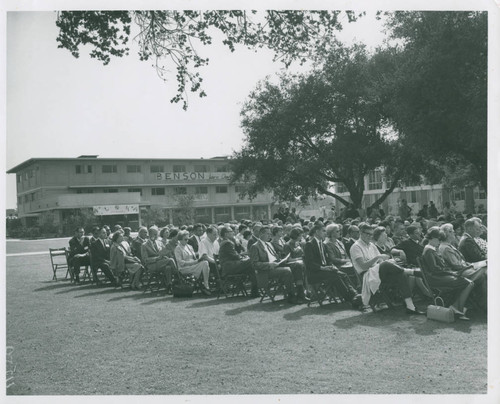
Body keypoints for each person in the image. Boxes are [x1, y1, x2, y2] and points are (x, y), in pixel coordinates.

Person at [350, 222, 424, 314]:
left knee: (401, 274)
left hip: (379, 273)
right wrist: (378, 258)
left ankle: (410, 307)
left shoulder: (371, 245)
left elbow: (381, 262)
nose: (369, 236)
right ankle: (410, 271)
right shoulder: (356, 247)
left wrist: (389, 261)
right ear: (361, 233)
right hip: (367, 275)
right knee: (386, 265)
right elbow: (363, 266)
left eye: (371, 234)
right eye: (367, 234)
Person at [421, 227, 475, 319]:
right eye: (439, 239)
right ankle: (457, 308)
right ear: (433, 238)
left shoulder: (431, 249)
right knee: (468, 283)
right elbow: (435, 269)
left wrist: (452, 272)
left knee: (468, 282)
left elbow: (439, 268)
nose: (439, 242)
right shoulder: (429, 250)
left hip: (439, 276)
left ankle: (456, 307)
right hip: (435, 278)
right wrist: (452, 273)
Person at [304, 224, 361, 308]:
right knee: (335, 276)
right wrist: (324, 268)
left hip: (324, 271)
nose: (325, 233)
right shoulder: (309, 244)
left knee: (342, 274)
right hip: (314, 273)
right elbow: (309, 263)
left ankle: (355, 295)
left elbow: (327, 260)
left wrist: (331, 265)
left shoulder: (322, 244)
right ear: (317, 232)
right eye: (323, 231)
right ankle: (351, 299)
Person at [439, 223, 487, 307]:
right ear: (445, 234)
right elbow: (457, 266)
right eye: (451, 232)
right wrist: (473, 265)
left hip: (464, 269)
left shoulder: (449, 245)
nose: (454, 233)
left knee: (484, 275)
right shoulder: (445, 247)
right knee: (485, 270)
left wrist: (473, 265)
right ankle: (485, 303)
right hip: (459, 273)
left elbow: (462, 262)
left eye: (453, 231)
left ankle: (484, 302)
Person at [249, 226, 299, 303]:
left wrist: (283, 260)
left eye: (270, 234)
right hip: (266, 270)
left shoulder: (269, 244)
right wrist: (269, 264)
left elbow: (275, 256)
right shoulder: (255, 246)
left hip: (277, 265)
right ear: (261, 234)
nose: (270, 236)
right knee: (287, 271)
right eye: (268, 234)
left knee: (297, 265)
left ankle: (301, 293)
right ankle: (291, 296)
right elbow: (255, 264)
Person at [218, 226, 259, 297]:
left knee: (251, 268)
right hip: (229, 267)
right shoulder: (227, 243)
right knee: (251, 262)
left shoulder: (227, 242)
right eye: (231, 231)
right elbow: (235, 256)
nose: (233, 232)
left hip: (231, 265)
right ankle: (255, 291)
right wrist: (243, 256)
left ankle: (255, 291)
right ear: (225, 234)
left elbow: (235, 255)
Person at [174, 230, 211, 295]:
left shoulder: (189, 246)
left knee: (205, 262)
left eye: (188, 239)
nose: (187, 241)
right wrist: (195, 262)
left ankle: (205, 284)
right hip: (184, 268)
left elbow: (194, 257)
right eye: (185, 239)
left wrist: (200, 257)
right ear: (180, 239)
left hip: (193, 265)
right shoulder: (178, 248)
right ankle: (206, 285)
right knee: (205, 263)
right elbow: (180, 262)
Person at [141, 226, 175, 291]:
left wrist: (164, 254)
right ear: (149, 234)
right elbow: (145, 260)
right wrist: (157, 258)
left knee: (168, 268)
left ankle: (169, 285)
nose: (156, 236)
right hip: (152, 265)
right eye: (155, 234)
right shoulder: (144, 245)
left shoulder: (159, 243)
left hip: (161, 262)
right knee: (170, 260)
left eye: (157, 234)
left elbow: (164, 252)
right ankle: (179, 277)